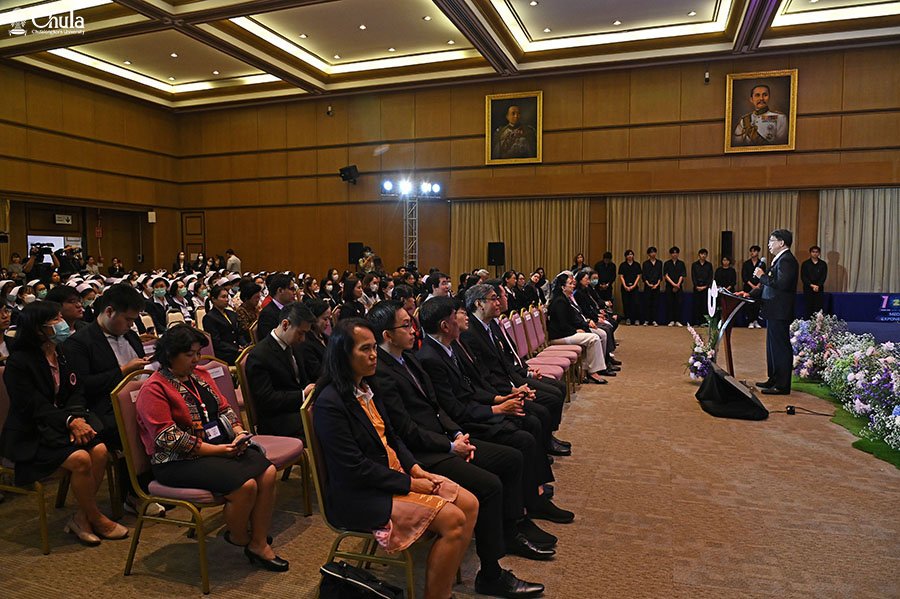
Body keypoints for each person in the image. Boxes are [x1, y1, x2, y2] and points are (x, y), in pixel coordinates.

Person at [368, 301, 557, 581]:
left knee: (512, 458)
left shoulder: (407, 358)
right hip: (422, 454)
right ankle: (491, 573)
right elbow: (405, 430)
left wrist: (457, 435)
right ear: (388, 335)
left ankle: (513, 527)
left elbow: (437, 407)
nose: (413, 330)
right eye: (406, 325)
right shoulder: (382, 373)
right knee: (491, 484)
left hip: (444, 439)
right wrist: (449, 445)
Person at [313, 318, 478, 599]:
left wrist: (416, 470)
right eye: (365, 349)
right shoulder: (330, 403)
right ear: (343, 355)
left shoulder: (366, 387)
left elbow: (393, 437)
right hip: (360, 495)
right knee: (453, 520)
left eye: (374, 347)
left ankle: (443, 583)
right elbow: (355, 468)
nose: (374, 354)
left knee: (470, 504)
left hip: (393, 475)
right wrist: (410, 484)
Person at [135, 325, 286, 570]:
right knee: (244, 486)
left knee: (267, 472)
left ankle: (258, 541)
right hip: (176, 462)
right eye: (189, 355)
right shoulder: (154, 389)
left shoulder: (201, 376)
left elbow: (225, 408)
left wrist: (238, 432)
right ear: (170, 355)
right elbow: (168, 438)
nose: (196, 359)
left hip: (218, 448)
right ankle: (240, 537)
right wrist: (216, 450)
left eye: (197, 353)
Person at [416, 297, 573, 527]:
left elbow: (474, 386)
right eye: (457, 315)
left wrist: (503, 398)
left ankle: (533, 494)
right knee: (523, 433)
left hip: (476, 409)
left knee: (528, 422)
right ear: (445, 326)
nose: (464, 318)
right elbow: (455, 408)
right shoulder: (431, 357)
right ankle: (525, 506)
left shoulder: (450, 346)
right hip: (465, 425)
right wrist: (497, 407)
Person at [1, 301, 128, 545]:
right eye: (55, 320)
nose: (62, 324)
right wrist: (70, 421)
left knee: (100, 451)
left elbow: (76, 389)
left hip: (64, 424)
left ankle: (81, 517)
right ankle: (96, 517)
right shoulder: (19, 363)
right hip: (32, 431)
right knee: (81, 459)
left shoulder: (63, 352)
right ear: (39, 329)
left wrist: (77, 417)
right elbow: (33, 406)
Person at [65, 284, 167, 516]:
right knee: (134, 429)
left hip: (137, 399)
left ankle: (158, 484)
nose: (132, 326)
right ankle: (133, 494)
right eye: (128, 319)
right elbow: (80, 386)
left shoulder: (130, 335)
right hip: (101, 408)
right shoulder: (80, 343)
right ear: (109, 311)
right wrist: (122, 372)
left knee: (171, 417)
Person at [738, 229, 799, 395]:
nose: (769, 244)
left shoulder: (787, 260)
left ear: (781, 243)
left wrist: (762, 275)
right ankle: (773, 379)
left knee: (780, 347)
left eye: (771, 241)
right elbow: (767, 286)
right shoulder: (778, 260)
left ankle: (782, 385)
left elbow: (781, 284)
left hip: (780, 311)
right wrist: (749, 294)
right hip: (773, 310)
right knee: (772, 348)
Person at [245, 302, 317, 439]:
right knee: (326, 427)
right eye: (300, 333)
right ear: (285, 325)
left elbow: (303, 379)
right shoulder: (259, 355)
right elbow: (267, 400)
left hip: (298, 409)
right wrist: (302, 395)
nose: (303, 339)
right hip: (278, 419)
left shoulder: (294, 345)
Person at [546, 273, 612, 384]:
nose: (573, 286)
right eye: (570, 284)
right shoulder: (559, 301)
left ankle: (585, 370)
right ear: (563, 287)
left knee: (591, 336)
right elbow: (562, 325)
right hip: (559, 337)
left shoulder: (565, 298)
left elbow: (571, 320)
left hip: (565, 333)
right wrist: (575, 331)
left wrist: (582, 326)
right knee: (594, 338)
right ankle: (593, 372)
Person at [202, 285, 245, 365]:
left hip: (238, 348)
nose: (227, 300)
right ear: (214, 299)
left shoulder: (231, 313)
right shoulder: (209, 318)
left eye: (227, 297)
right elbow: (216, 342)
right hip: (224, 353)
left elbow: (239, 332)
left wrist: (244, 345)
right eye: (223, 297)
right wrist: (235, 349)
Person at [299, 299, 331, 382]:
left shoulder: (326, 338)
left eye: (329, 319)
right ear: (313, 318)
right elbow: (317, 373)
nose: (328, 324)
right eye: (325, 319)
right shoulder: (305, 343)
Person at [256, 274, 296, 340]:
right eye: (291, 289)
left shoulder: (290, 308)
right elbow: (269, 342)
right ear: (280, 290)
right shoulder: (267, 314)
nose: (294, 293)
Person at [801, 245, 828, 318]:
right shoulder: (805, 264)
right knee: (809, 306)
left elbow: (823, 277)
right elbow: (803, 277)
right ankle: (809, 323)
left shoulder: (823, 264)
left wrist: (818, 285)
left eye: (816, 252)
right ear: (810, 253)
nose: (815, 253)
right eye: (813, 252)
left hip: (819, 288)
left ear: (819, 253)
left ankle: (818, 323)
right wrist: (812, 285)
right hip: (808, 288)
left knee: (818, 306)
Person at [741, 245, 763, 328]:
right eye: (751, 251)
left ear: (757, 252)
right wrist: (752, 285)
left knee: (757, 304)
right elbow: (744, 276)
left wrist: (758, 285)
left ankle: (755, 321)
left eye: (754, 251)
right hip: (748, 287)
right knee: (748, 305)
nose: (752, 253)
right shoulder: (746, 263)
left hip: (758, 288)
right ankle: (750, 321)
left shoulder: (761, 264)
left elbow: (763, 276)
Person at [664, 246, 686, 326]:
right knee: (670, 303)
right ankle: (671, 320)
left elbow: (682, 275)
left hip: (679, 287)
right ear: (671, 254)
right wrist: (673, 284)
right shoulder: (667, 263)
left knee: (678, 303)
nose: (675, 254)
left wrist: (677, 285)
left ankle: (677, 320)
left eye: (676, 253)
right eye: (673, 253)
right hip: (669, 287)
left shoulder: (681, 263)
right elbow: (666, 275)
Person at [618, 250, 642, 325]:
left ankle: (636, 319)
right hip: (625, 287)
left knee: (636, 303)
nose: (630, 256)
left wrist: (634, 285)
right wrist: (625, 285)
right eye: (628, 255)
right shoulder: (623, 265)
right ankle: (627, 318)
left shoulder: (637, 265)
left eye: (631, 254)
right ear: (626, 256)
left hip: (634, 287)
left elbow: (639, 276)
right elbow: (621, 276)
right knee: (626, 303)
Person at [690, 249, 713, 326]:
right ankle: (696, 322)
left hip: (706, 288)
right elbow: (693, 276)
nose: (703, 256)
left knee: (704, 305)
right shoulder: (694, 265)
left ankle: (704, 322)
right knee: (696, 305)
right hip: (697, 287)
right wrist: (697, 286)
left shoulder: (709, 265)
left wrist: (705, 286)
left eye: (705, 254)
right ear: (699, 255)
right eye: (702, 254)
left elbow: (710, 277)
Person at [642, 247, 662, 326]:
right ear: (649, 254)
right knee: (647, 303)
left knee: (655, 303)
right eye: (651, 252)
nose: (653, 254)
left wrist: (657, 284)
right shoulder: (645, 263)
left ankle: (654, 320)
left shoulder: (659, 263)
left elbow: (660, 275)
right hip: (647, 286)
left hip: (656, 286)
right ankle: (646, 320)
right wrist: (648, 284)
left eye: (654, 252)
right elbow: (644, 276)